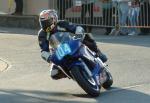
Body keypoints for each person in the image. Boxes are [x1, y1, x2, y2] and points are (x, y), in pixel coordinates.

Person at [38, 9, 107, 80]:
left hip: (71, 43)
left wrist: (79, 33)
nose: (45, 25)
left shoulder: (62, 24)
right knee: (54, 74)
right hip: (58, 52)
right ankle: (71, 74)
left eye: (47, 22)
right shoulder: (42, 34)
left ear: (54, 19)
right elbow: (44, 50)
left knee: (87, 36)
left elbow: (76, 28)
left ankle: (98, 52)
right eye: (43, 23)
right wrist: (49, 57)